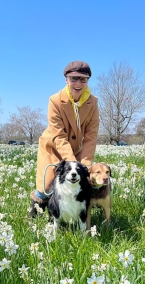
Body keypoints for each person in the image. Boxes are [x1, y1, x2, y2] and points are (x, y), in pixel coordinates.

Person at [30, 60, 100, 217]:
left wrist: (86, 164)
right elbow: (58, 136)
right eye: (74, 78)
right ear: (66, 80)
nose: (78, 83)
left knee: (82, 180)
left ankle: (74, 214)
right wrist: (72, 162)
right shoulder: (55, 100)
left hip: (76, 149)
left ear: (87, 81)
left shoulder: (93, 102)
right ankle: (36, 215)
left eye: (83, 79)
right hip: (53, 146)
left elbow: (91, 135)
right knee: (47, 184)